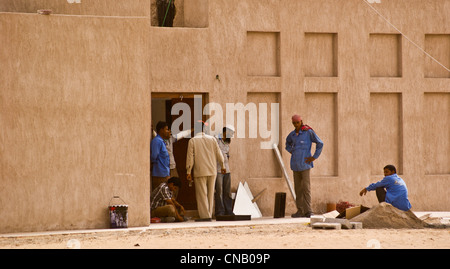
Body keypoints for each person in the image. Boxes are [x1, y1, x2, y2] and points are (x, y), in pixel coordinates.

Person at [186, 121, 226, 221]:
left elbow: (190, 157)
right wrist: (222, 165)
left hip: (200, 171)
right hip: (212, 170)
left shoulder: (192, 141)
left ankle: (205, 216)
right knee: (211, 193)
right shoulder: (212, 139)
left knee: (201, 194)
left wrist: (188, 171)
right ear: (204, 129)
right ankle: (209, 214)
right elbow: (219, 153)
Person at [285, 114, 324, 218]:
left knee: (306, 189)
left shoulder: (308, 132)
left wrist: (314, 157)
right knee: (298, 189)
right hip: (295, 165)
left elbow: (320, 143)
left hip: (305, 165)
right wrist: (292, 150)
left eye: (297, 122)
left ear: (301, 122)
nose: (296, 125)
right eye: (294, 123)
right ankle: (300, 211)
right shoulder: (292, 135)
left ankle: (308, 211)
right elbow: (287, 144)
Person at [215, 125, 235, 216]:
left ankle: (228, 210)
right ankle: (220, 211)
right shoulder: (216, 140)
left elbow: (227, 155)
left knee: (227, 191)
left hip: (227, 170)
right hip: (218, 169)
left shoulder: (227, 142)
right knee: (219, 191)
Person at [150, 121, 171, 191]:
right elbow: (154, 156)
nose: (168, 131)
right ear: (161, 130)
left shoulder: (162, 141)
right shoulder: (157, 141)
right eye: (166, 129)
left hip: (164, 174)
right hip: (159, 175)